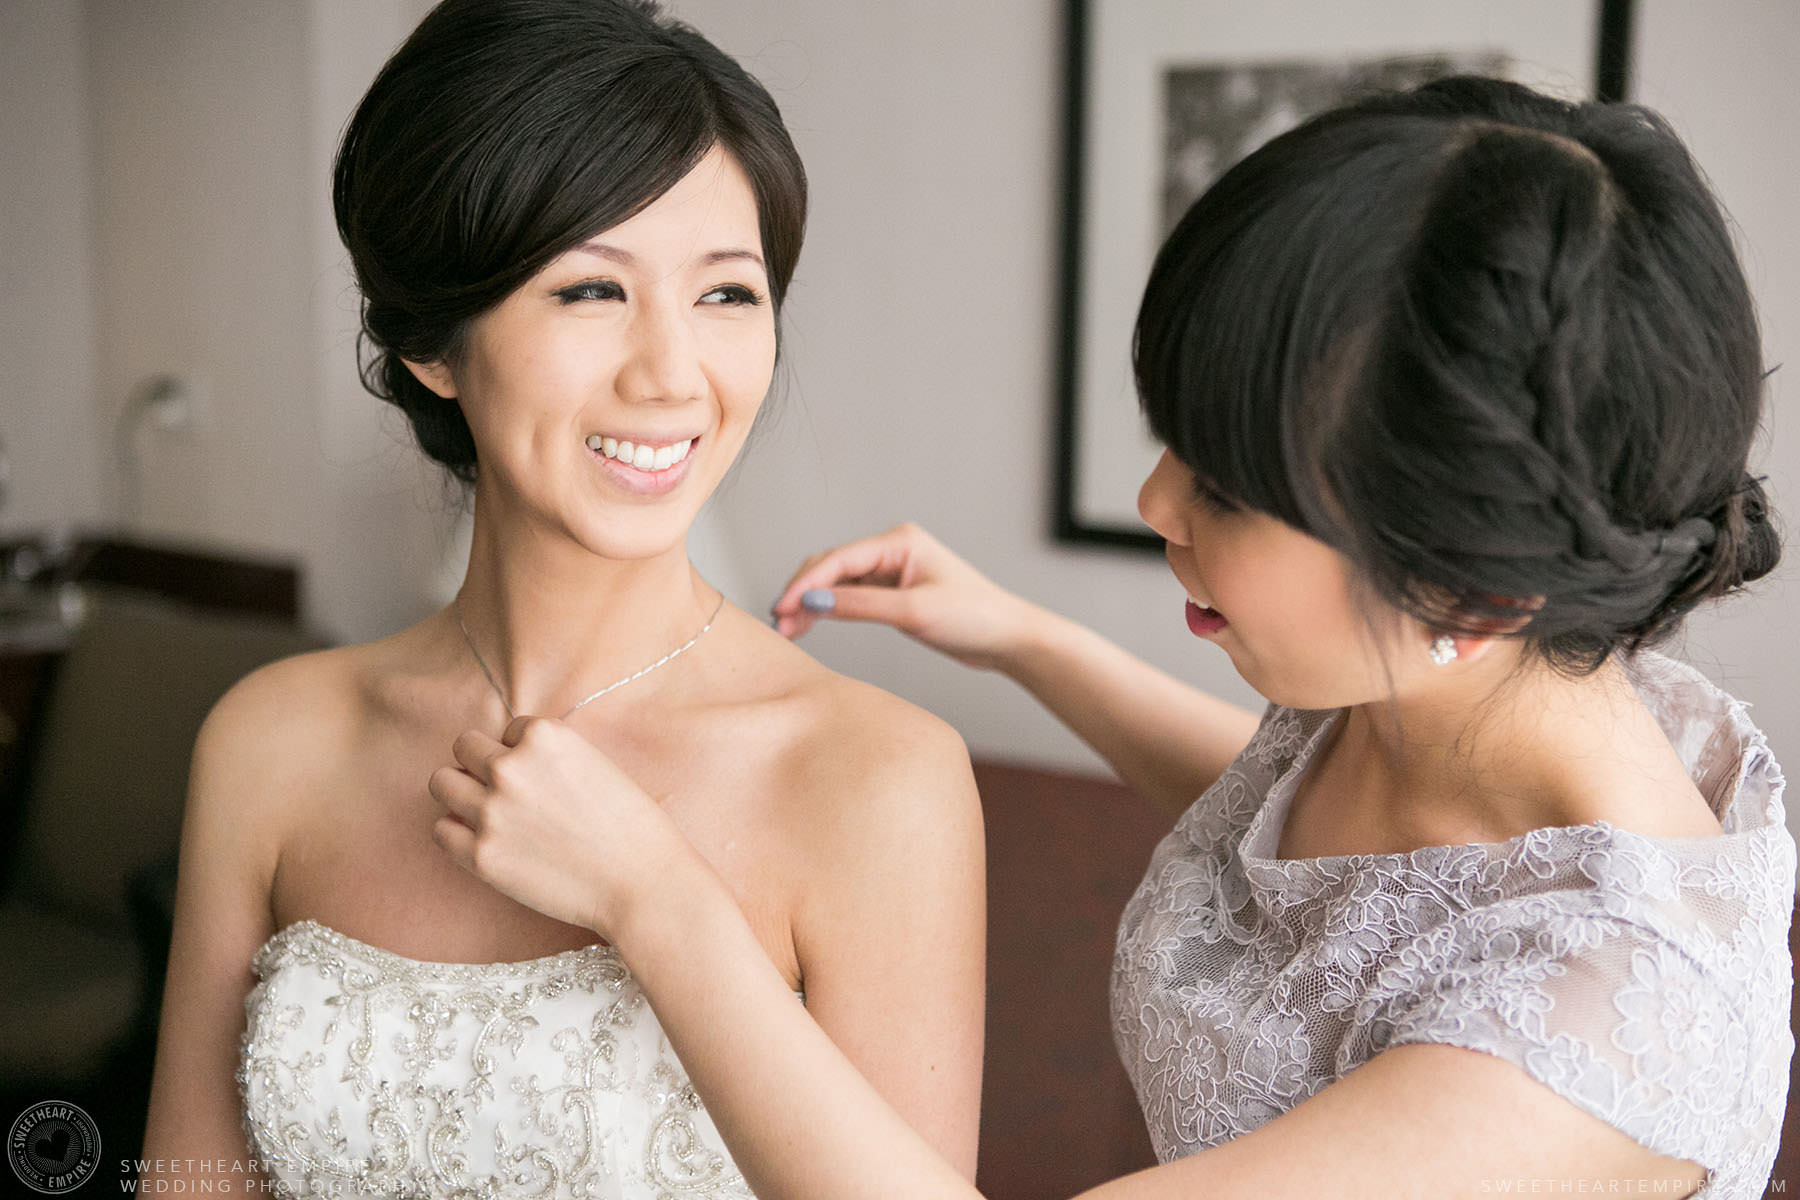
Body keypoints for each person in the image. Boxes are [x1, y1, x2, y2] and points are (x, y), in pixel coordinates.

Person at [425, 76, 1794, 1198]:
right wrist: (1025, 639)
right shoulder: (1507, 686)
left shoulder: (1580, 1038)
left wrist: (657, 903)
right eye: (1171, 444)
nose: (1154, 505)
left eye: (1231, 489)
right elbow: (1314, 852)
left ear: (1471, 593)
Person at [138, 1, 985, 1195]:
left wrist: (657, 900)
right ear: (436, 342)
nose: (672, 373)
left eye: (728, 295)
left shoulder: (878, 779)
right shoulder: (272, 740)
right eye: (591, 291)